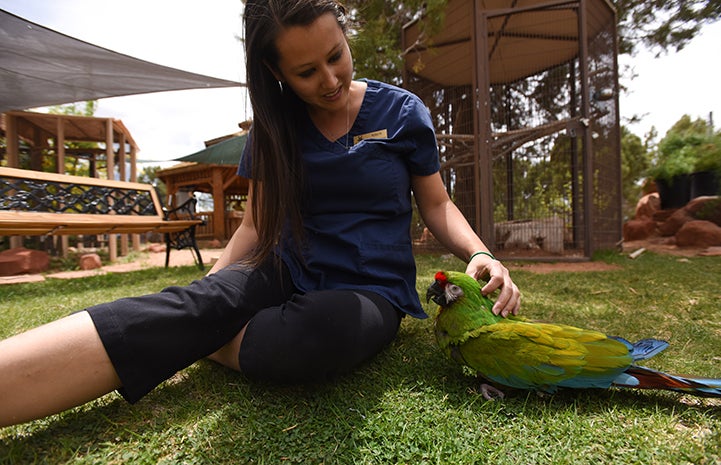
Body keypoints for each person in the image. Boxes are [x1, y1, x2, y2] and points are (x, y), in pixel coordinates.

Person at [0, 0, 520, 428]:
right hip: (283, 269)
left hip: (369, 290)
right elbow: (254, 225)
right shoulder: (276, 129)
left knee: (318, 335)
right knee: (196, 305)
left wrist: (479, 252)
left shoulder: (402, 113)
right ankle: (196, 327)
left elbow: (436, 203)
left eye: (335, 56)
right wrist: (212, 288)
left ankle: (202, 338)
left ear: (344, 33)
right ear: (276, 73)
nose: (330, 79)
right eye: (306, 72)